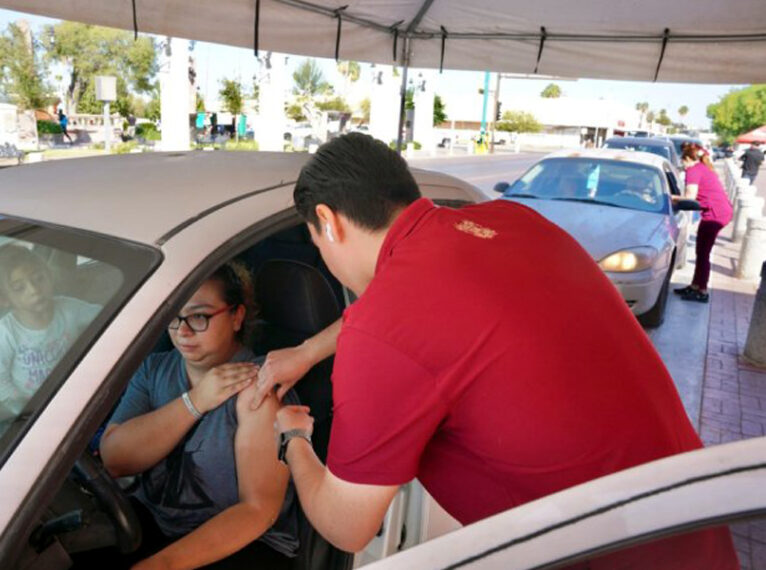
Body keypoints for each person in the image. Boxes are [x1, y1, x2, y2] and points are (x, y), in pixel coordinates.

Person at [255, 132, 738, 568]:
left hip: (607, 557)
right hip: (694, 525)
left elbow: (346, 525)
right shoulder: (514, 221)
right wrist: (308, 351)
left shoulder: (384, 327)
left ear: (328, 222)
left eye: (316, 243)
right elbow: (407, 315)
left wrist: (293, 438)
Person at [99, 262, 299, 569]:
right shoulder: (154, 370)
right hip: (156, 523)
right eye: (174, 317)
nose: (183, 331)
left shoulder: (260, 386)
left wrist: (160, 566)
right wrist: (195, 401)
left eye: (199, 316)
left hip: (242, 542)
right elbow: (114, 459)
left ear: (237, 316)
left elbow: (259, 510)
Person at [0, 244, 100, 414]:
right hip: (30, 407)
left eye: (39, 278)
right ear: (4, 299)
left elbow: (110, 314)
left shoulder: (69, 309)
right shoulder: (6, 332)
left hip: (71, 396)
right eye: (19, 288)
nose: (34, 290)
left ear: (50, 277)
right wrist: (23, 408)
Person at [674, 144, 734, 303]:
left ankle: (702, 291)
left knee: (703, 253)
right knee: (701, 251)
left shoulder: (693, 171)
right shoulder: (702, 167)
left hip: (715, 214)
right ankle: (695, 285)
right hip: (720, 211)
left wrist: (671, 197)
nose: (683, 164)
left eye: (683, 160)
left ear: (687, 159)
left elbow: (690, 197)